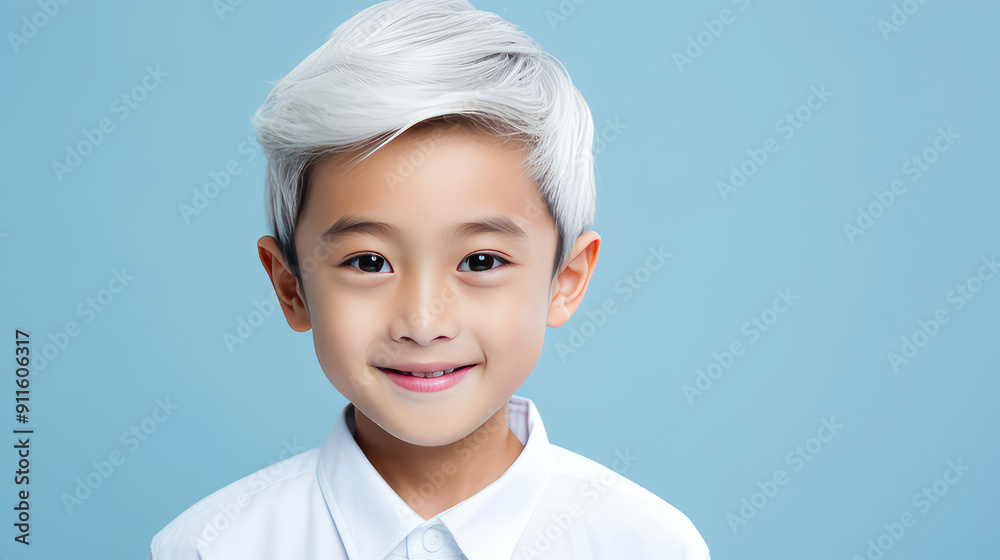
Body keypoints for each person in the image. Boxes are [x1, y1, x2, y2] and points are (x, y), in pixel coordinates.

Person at [147, 0, 710, 557]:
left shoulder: (646, 545)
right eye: (369, 262)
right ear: (291, 287)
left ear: (565, 279)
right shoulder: (210, 547)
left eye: (481, 262)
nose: (423, 322)